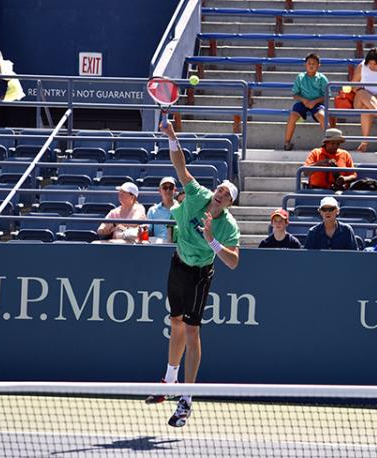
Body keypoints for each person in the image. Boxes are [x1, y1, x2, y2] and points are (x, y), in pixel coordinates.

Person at [146, 121, 240, 428]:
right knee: (174, 321)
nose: (221, 194)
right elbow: (180, 167)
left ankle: (187, 398)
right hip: (178, 263)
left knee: (192, 331)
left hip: (201, 272)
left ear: (228, 204)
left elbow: (233, 262)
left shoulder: (228, 225)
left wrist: (212, 239)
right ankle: (169, 380)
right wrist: (173, 137)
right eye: (221, 189)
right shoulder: (197, 194)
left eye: (226, 195)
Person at [283, 53, 329, 151]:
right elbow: (295, 94)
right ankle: (287, 142)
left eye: (314, 63)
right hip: (303, 103)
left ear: (318, 66)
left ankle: (328, 142)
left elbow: (326, 95)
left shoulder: (322, 78)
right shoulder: (300, 77)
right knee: (292, 116)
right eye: (309, 63)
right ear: (305, 65)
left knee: (322, 116)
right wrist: (304, 100)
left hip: (317, 103)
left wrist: (315, 101)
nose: (311, 65)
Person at [147, 176, 178, 243]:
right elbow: (148, 229)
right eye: (165, 187)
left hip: (177, 244)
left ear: (175, 190)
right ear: (159, 191)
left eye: (171, 187)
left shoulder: (181, 209)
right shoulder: (152, 210)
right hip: (157, 244)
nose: (168, 190)